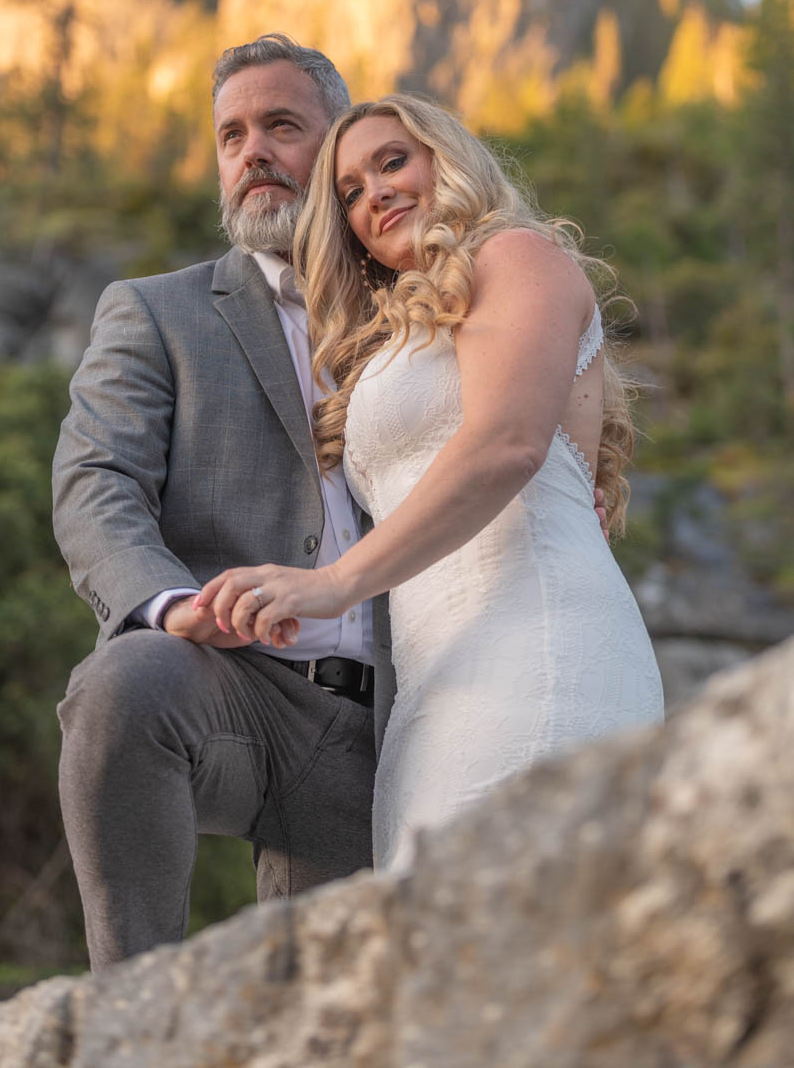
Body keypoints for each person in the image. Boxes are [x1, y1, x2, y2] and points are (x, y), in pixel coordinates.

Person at [195, 94, 664, 872]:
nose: (373, 194)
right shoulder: (397, 337)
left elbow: (506, 444)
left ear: (447, 160)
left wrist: (331, 585)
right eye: (349, 192)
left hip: (531, 643)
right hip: (432, 682)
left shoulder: (513, 256)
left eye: (392, 162)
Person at [52, 35, 387, 970]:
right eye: (231, 135)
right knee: (122, 686)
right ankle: (131, 1009)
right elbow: (95, 479)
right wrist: (170, 607)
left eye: (281, 125)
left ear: (340, 144)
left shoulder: (418, 303)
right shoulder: (156, 311)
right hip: (230, 684)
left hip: (395, 707)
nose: (253, 152)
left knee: (323, 1005)